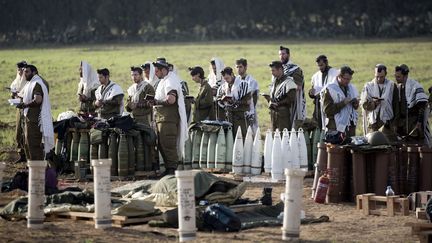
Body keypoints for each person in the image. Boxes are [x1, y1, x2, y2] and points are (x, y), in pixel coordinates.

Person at [152, 58, 187, 175]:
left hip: (168, 120)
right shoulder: (164, 80)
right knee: (163, 145)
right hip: (162, 119)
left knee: (168, 146)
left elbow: (171, 100)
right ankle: (169, 169)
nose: (155, 73)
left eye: (157, 71)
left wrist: (157, 102)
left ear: (163, 70)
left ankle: (172, 171)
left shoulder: (170, 80)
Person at [16, 64, 54, 160]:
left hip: (35, 120)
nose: (25, 74)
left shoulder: (37, 83)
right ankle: (33, 168)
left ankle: (38, 170)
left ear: (34, 72)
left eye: (27, 72)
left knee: (34, 146)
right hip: (30, 119)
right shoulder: (31, 83)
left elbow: (38, 100)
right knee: (28, 144)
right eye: (24, 72)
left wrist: (25, 105)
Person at [394, 64, 431, 146]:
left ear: (405, 76)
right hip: (403, 124)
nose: (396, 78)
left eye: (398, 77)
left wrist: (419, 122)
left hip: (414, 123)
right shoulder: (398, 88)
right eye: (395, 76)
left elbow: (422, 105)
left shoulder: (415, 86)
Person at [322, 66, 359, 143]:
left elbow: (354, 109)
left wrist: (355, 104)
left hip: (350, 127)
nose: (348, 81)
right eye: (346, 79)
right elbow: (327, 110)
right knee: (336, 153)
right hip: (335, 128)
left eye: (349, 79)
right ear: (339, 76)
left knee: (349, 153)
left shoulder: (351, 88)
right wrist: (343, 103)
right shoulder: (330, 89)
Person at [360, 64, 399, 135]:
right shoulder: (368, 86)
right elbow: (364, 105)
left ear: (386, 75)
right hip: (373, 123)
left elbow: (396, 106)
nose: (379, 79)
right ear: (374, 74)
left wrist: (395, 123)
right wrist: (374, 104)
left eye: (381, 77)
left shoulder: (392, 86)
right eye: (377, 76)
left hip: (388, 123)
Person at [217, 67, 253, 138]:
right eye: (225, 79)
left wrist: (236, 102)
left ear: (232, 75)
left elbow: (248, 102)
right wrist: (222, 100)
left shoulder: (243, 85)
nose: (226, 81)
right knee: (230, 137)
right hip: (229, 116)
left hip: (241, 116)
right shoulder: (224, 86)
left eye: (227, 78)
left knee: (242, 136)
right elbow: (219, 99)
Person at [309, 55, 339, 133]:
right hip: (318, 106)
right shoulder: (315, 76)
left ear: (326, 63)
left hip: (330, 105)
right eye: (318, 66)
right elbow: (313, 91)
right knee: (318, 127)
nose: (320, 68)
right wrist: (311, 93)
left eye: (321, 65)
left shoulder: (335, 73)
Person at [264, 61, 297, 132]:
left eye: (273, 70)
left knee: (283, 135)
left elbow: (291, 98)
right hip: (274, 113)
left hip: (283, 113)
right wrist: (269, 99)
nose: (272, 73)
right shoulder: (275, 81)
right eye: (271, 71)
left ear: (280, 70)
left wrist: (278, 103)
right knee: (274, 134)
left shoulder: (289, 82)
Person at [279, 45, 306, 128]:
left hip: (294, 101)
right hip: (282, 101)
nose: (281, 56)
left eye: (283, 54)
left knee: (294, 125)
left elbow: (298, 87)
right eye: (280, 54)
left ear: (288, 55)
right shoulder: (279, 68)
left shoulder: (295, 69)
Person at [10, 61, 28, 163]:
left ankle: (28, 154)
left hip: (28, 108)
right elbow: (13, 93)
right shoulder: (16, 81)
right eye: (19, 70)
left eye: (22, 70)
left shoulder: (29, 81)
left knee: (27, 132)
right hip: (19, 109)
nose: (20, 72)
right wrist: (13, 95)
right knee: (18, 132)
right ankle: (21, 154)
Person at [236, 58, 259, 132]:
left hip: (249, 109)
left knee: (251, 132)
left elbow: (250, 97)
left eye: (240, 67)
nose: (238, 69)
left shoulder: (252, 81)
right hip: (238, 110)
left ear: (245, 67)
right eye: (237, 67)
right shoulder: (236, 80)